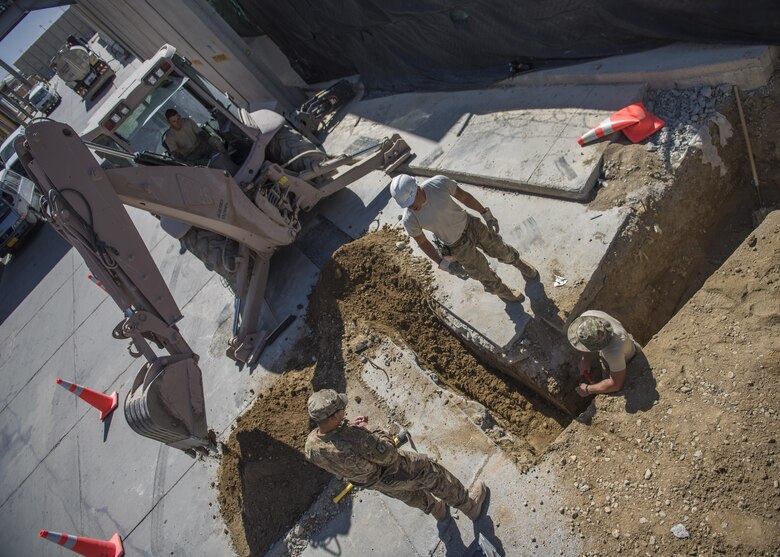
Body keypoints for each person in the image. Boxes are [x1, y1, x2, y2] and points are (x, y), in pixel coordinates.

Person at [304, 389, 487, 522]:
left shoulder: (311, 445)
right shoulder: (356, 437)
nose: (344, 410)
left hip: (372, 482)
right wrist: (370, 431)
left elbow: (339, 452)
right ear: (334, 417)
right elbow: (389, 454)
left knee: (409, 495)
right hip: (395, 469)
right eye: (341, 410)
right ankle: (470, 507)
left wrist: (346, 429)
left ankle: (438, 511)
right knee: (433, 474)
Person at [390, 174, 538, 303]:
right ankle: (501, 290)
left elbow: (464, 196)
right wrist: (442, 263)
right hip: (457, 247)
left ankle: (517, 262)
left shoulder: (438, 184)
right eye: (406, 205)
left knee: (500, 249)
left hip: (471, 225)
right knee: (482, 272)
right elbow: (422, 242)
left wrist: (485, 213)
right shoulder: (409, 219)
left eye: (411, 203)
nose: (410, 207)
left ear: (416, 189)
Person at [568, 310, 640, 398]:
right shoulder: (588, 317)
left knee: (611, 387)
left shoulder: (613, 353)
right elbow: (583, 341)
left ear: (597, 346)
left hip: (628, 361)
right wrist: (585, 359)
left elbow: (616, 384)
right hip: (626, 344)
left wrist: (588, 389)